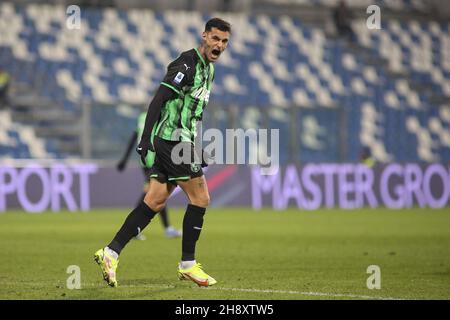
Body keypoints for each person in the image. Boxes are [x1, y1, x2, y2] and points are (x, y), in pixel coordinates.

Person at [94, 17, 231, 288]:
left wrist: (196, 146)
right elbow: (159, 98)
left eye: (225, 41)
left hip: (182, 141)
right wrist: (145, 139)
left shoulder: (209, 70)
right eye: (215, 38)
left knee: (154, 201)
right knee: (201, 197)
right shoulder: (187, 64)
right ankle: (188, 265)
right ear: (204, 36)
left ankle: (110, 253)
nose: (220, 45)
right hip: (172, 142)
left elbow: (192, 112)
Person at [117, 111, 182, 240]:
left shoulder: (142, 117)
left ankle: (161, 228)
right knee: (154, 194)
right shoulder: (163, 115)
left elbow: (135, 137)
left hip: (145, 160)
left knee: (157, 194)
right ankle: (133, 228)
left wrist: (125, 159)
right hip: (156, 159)